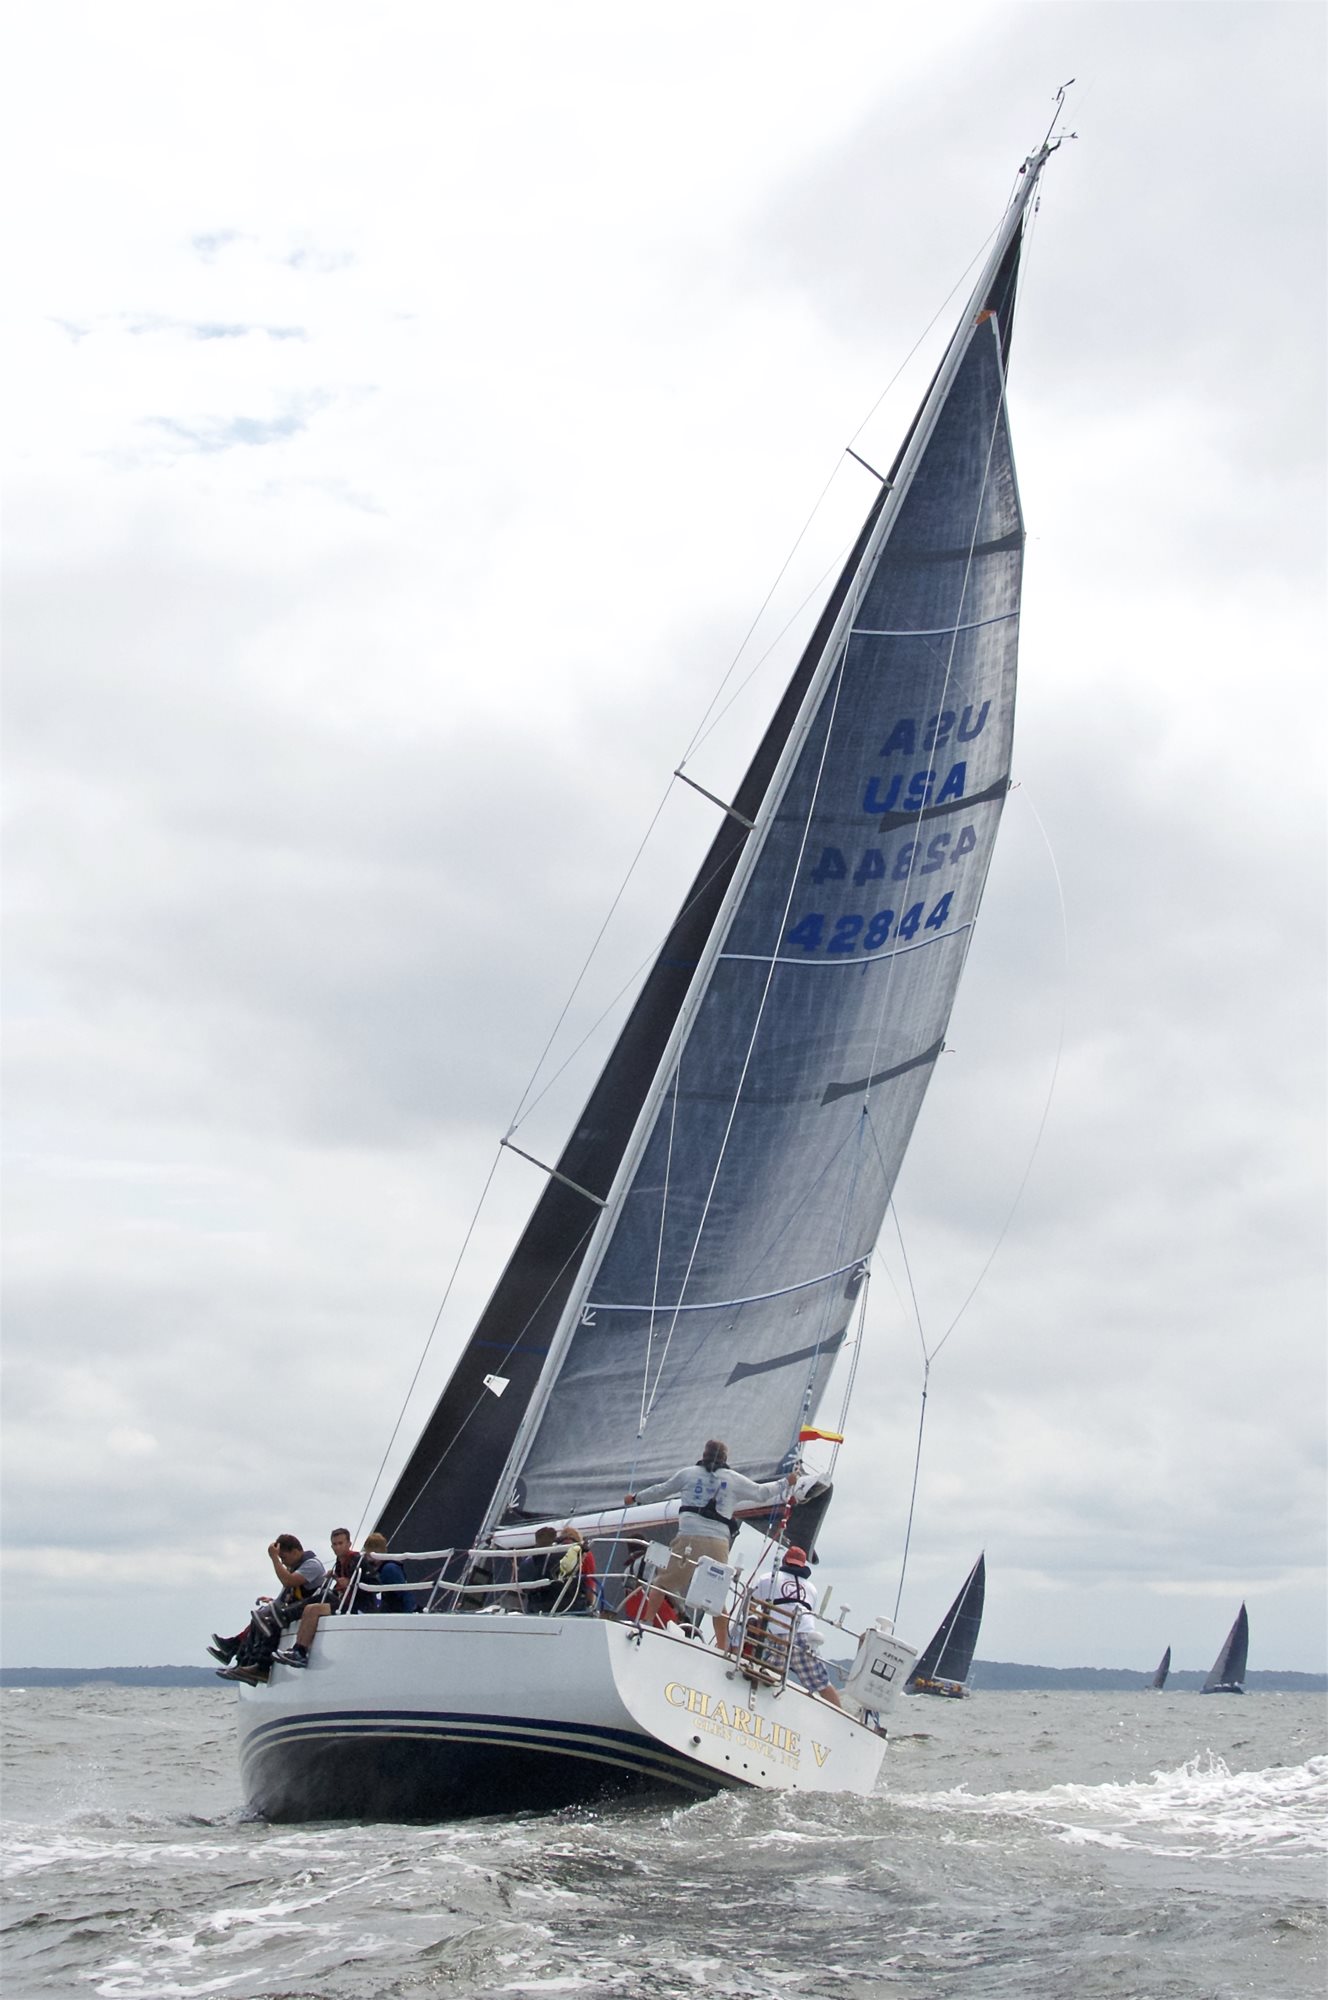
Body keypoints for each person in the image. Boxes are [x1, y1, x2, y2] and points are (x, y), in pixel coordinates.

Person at [626, 1439, 795, 1647]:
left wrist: (635, 1497)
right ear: (725, 1458)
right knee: (716, 1597)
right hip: (718, 1544)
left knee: (663, 1582)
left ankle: (646, 1621)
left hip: (688, 1539)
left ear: (704, 1454)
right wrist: (787, 1482)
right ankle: (722, 1647)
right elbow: (761, 1493)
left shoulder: (688, 1474)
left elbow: (660, 1490)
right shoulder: (733, 1479)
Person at [213, 1535, 326, 1684]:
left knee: (267, 1620)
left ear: (295, 1552)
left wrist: (274, 1559)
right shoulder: (296, 1566)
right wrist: (273, 1602)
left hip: (303, 1608)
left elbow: (288, 1581)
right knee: (259, 1616)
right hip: (294, 1606)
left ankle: (261, 1666)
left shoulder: (312, 1565)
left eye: (283, 1558)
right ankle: (242, 1661)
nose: (283, 1562)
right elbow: (287, 1590)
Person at [742, 1544, 843, 1708]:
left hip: (777, 1635)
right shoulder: (812, 1589)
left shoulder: (768, 1578)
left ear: (784, 1561)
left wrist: (756, 1619)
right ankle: (840, 1718)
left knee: (764, 1675)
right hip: (805, 1636)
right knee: (823, 1684)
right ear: (803, 1566)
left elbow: (748, 1606)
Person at [270, 1527, 360, 1669]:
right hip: (343, 1602)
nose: (337, 1547)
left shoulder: (357, 1560)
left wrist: (350, 1583)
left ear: (349, 1543)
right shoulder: (339, 1562)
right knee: (310, 1608)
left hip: (356, 1605)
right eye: (335, 1544)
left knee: (314, 1607)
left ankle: (299, 1650)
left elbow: (372, 1581)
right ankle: (297, 1650)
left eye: (341, 1543)